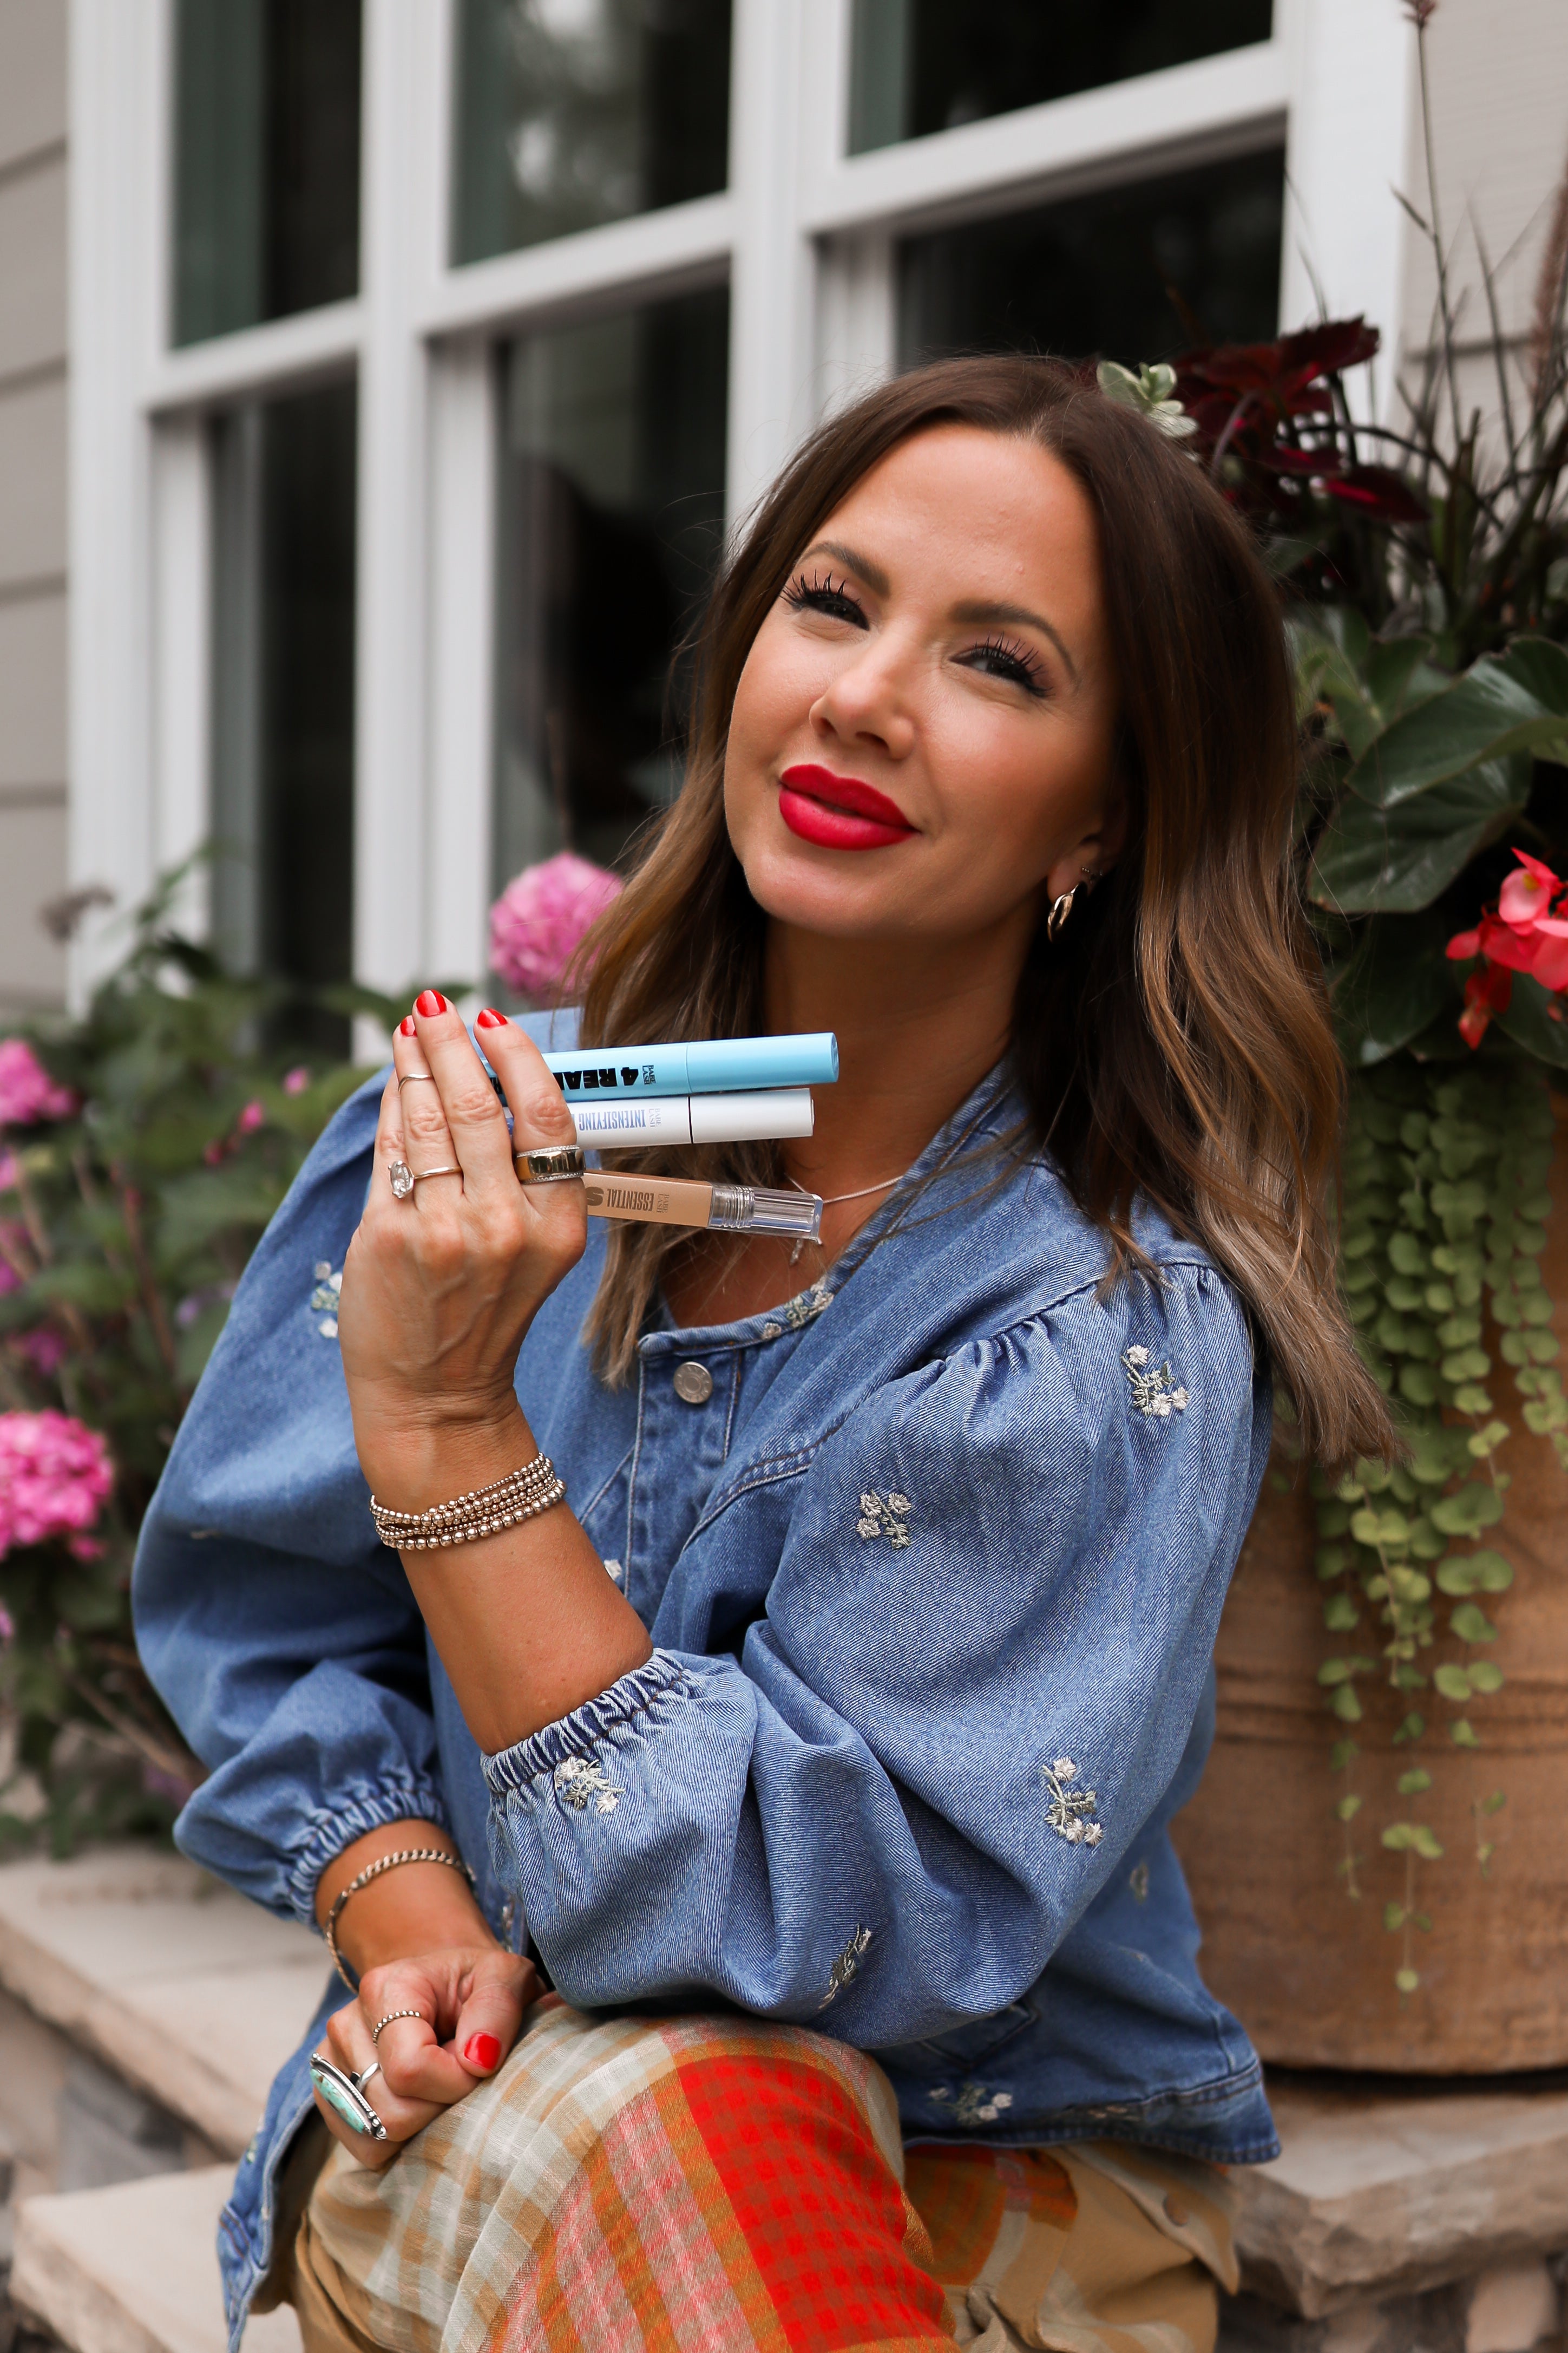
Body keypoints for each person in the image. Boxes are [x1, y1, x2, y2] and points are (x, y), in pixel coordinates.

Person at [134, 356, 1391, 2353]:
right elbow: (268, 1610)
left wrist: (451, 1424)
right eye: (832, 601)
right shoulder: (475, 1140)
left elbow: (800, 1931)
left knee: (693, 2107)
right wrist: (408, 1912)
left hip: (985, 2171)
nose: (866, 695)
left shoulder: (1096, 1320)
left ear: (1107, 810)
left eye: (996, 662)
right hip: (487, 2124)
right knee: (629, 2119)